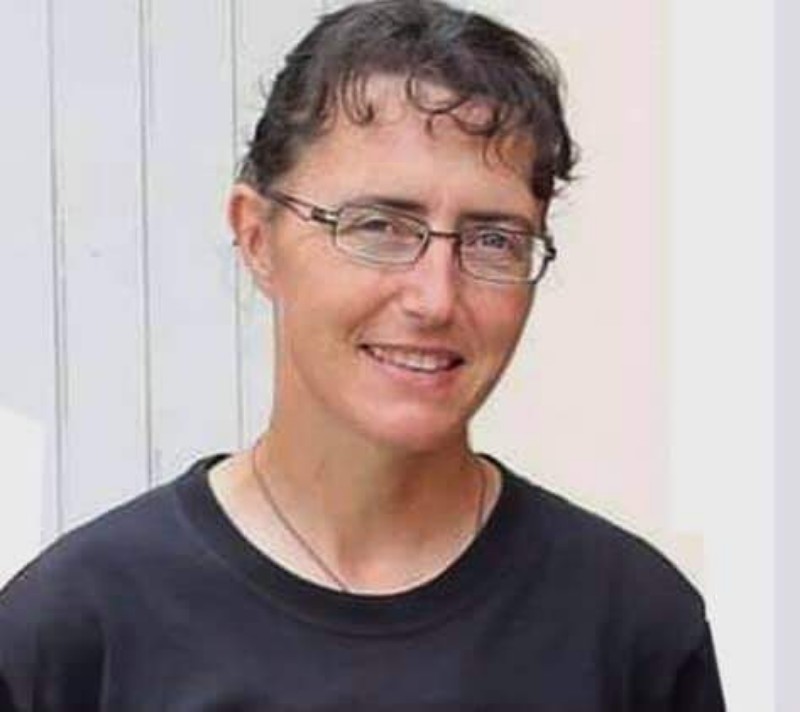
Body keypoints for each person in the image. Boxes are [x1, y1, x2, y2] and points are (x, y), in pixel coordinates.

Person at [0, 0, 726, 709]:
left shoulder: (632, 628)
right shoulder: (75, 635)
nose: (436, 297)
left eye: (493, 240)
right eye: (379, 225)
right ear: (256, 236)